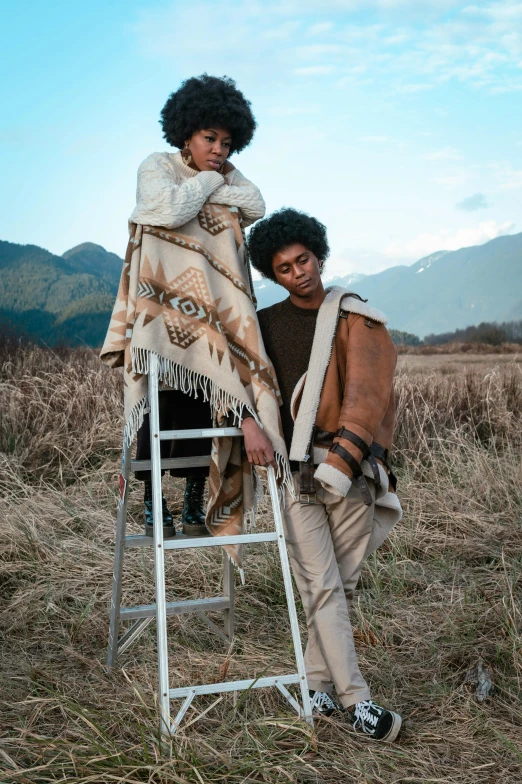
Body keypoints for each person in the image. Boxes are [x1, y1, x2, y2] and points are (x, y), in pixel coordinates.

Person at [246, 208, 404, 741]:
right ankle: (359, 702)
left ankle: (316, 687)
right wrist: (247, 421)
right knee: (322, 586)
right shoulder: (265, 324)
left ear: (319, 254)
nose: (299, 273)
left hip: (352, 473)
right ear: (274, 275)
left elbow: (369, 396)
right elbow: (242, 381)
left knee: (339, 587)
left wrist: (346, 461)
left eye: (304, 259)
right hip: (295, 474)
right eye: (285, 268)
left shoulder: (356, 317)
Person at [127, 74, 268, 537]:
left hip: (210, 311)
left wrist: (208, 184)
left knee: (201, 402)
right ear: (185, 132)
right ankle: (153, 502)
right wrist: (209, 180)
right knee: (158, 407)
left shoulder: (227, 173)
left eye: (227, 142)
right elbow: (163, 210)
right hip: (162, 306)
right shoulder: (158, 165)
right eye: (210, 138)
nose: (220, 150)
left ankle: (191, 500)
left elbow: (256, 204)